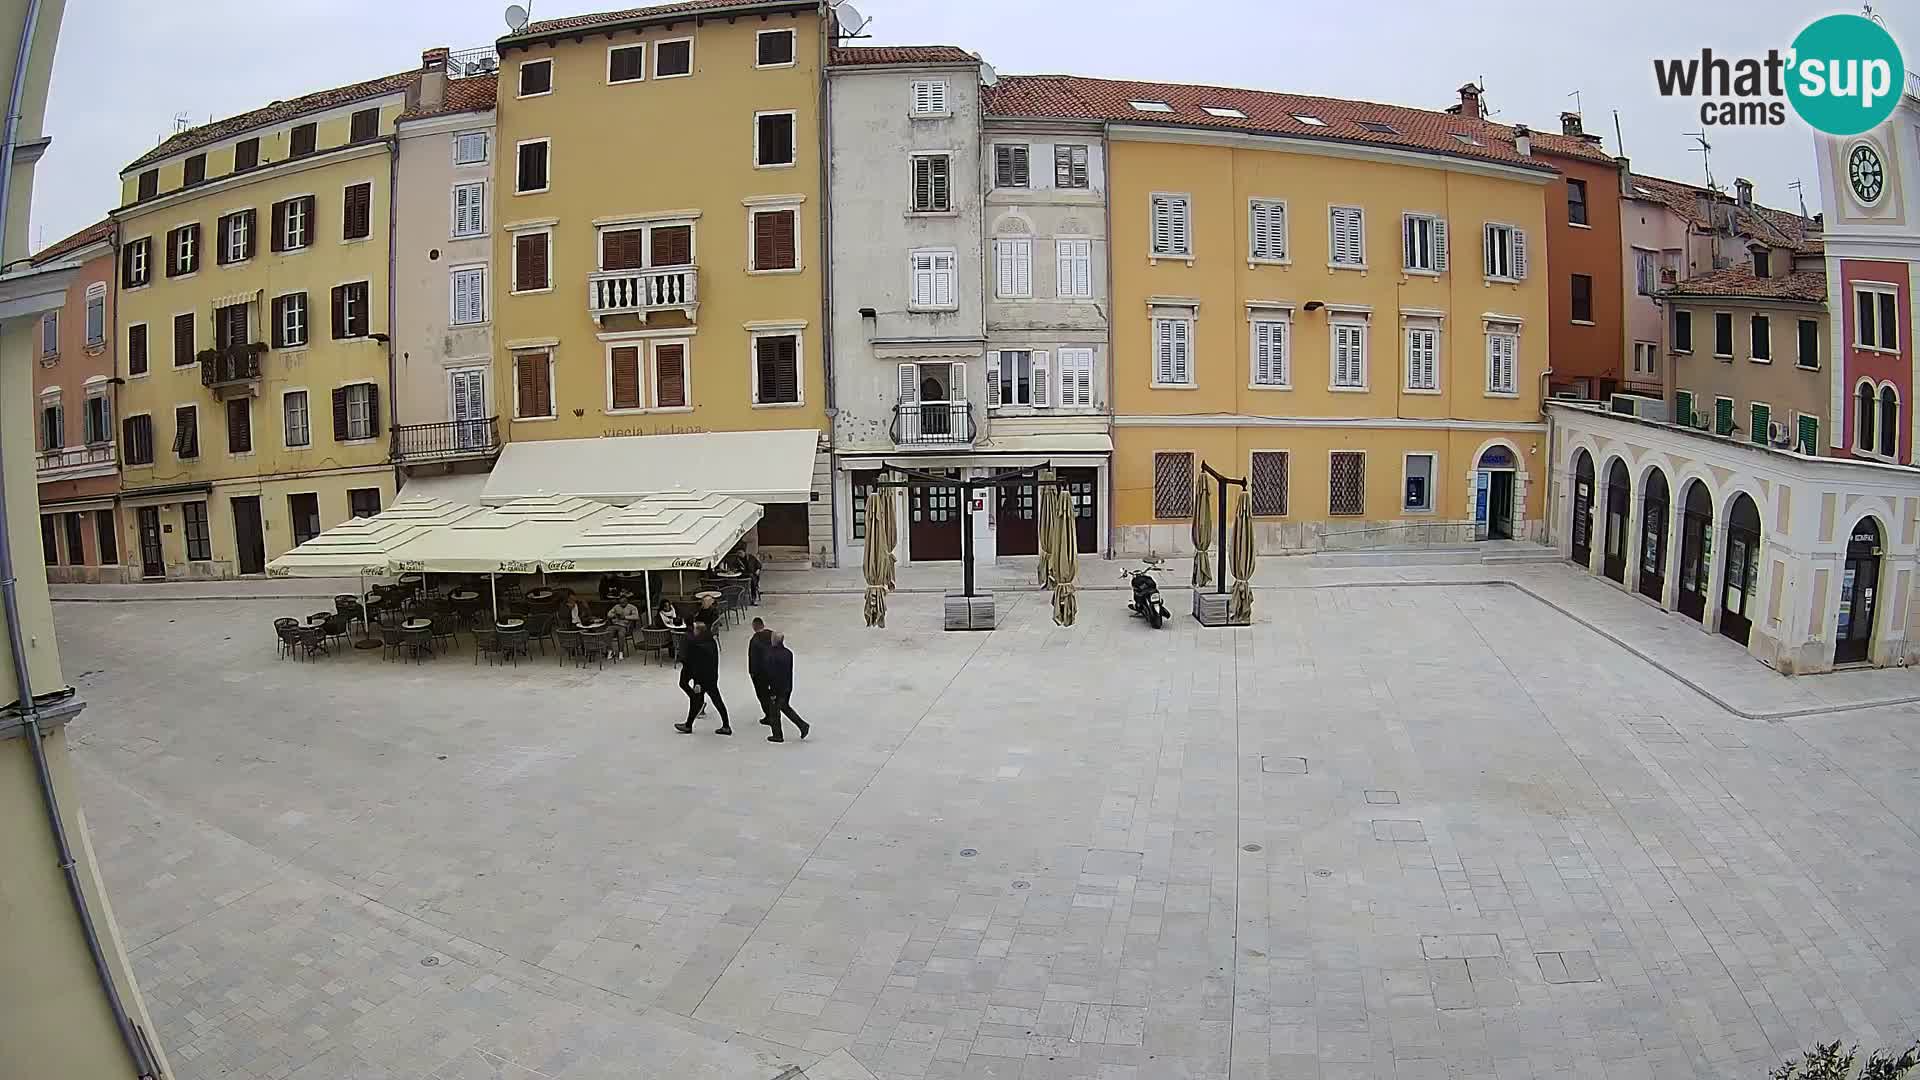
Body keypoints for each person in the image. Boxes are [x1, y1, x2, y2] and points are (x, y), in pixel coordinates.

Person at [674, 622, 730, 735]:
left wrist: (698, 682)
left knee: (705, 700)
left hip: (702, 679)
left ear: (698, 631)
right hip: (712, 676)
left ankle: (689, 726)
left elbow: (699, 665)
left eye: (695, 629)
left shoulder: (698, 645)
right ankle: (725, 725)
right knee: (709, 700)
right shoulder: (710, 642)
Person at [764, 632, 808, 742]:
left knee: (774, 712)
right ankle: (802, 725)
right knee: (784, 706)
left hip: (777, 688)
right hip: (787, 686)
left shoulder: (771, 655)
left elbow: (772, 675)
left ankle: (777, 735)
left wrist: (772, 691)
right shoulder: (788, 653)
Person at [746, 617, 774, 726]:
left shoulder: (755, 640)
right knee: (771, 693)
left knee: (762, 694)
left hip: (759, 673)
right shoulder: (772, 635)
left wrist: (752, 672)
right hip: (772, 670)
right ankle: (773, 713)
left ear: (754, 626)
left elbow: (753, 658)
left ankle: (769, 715)